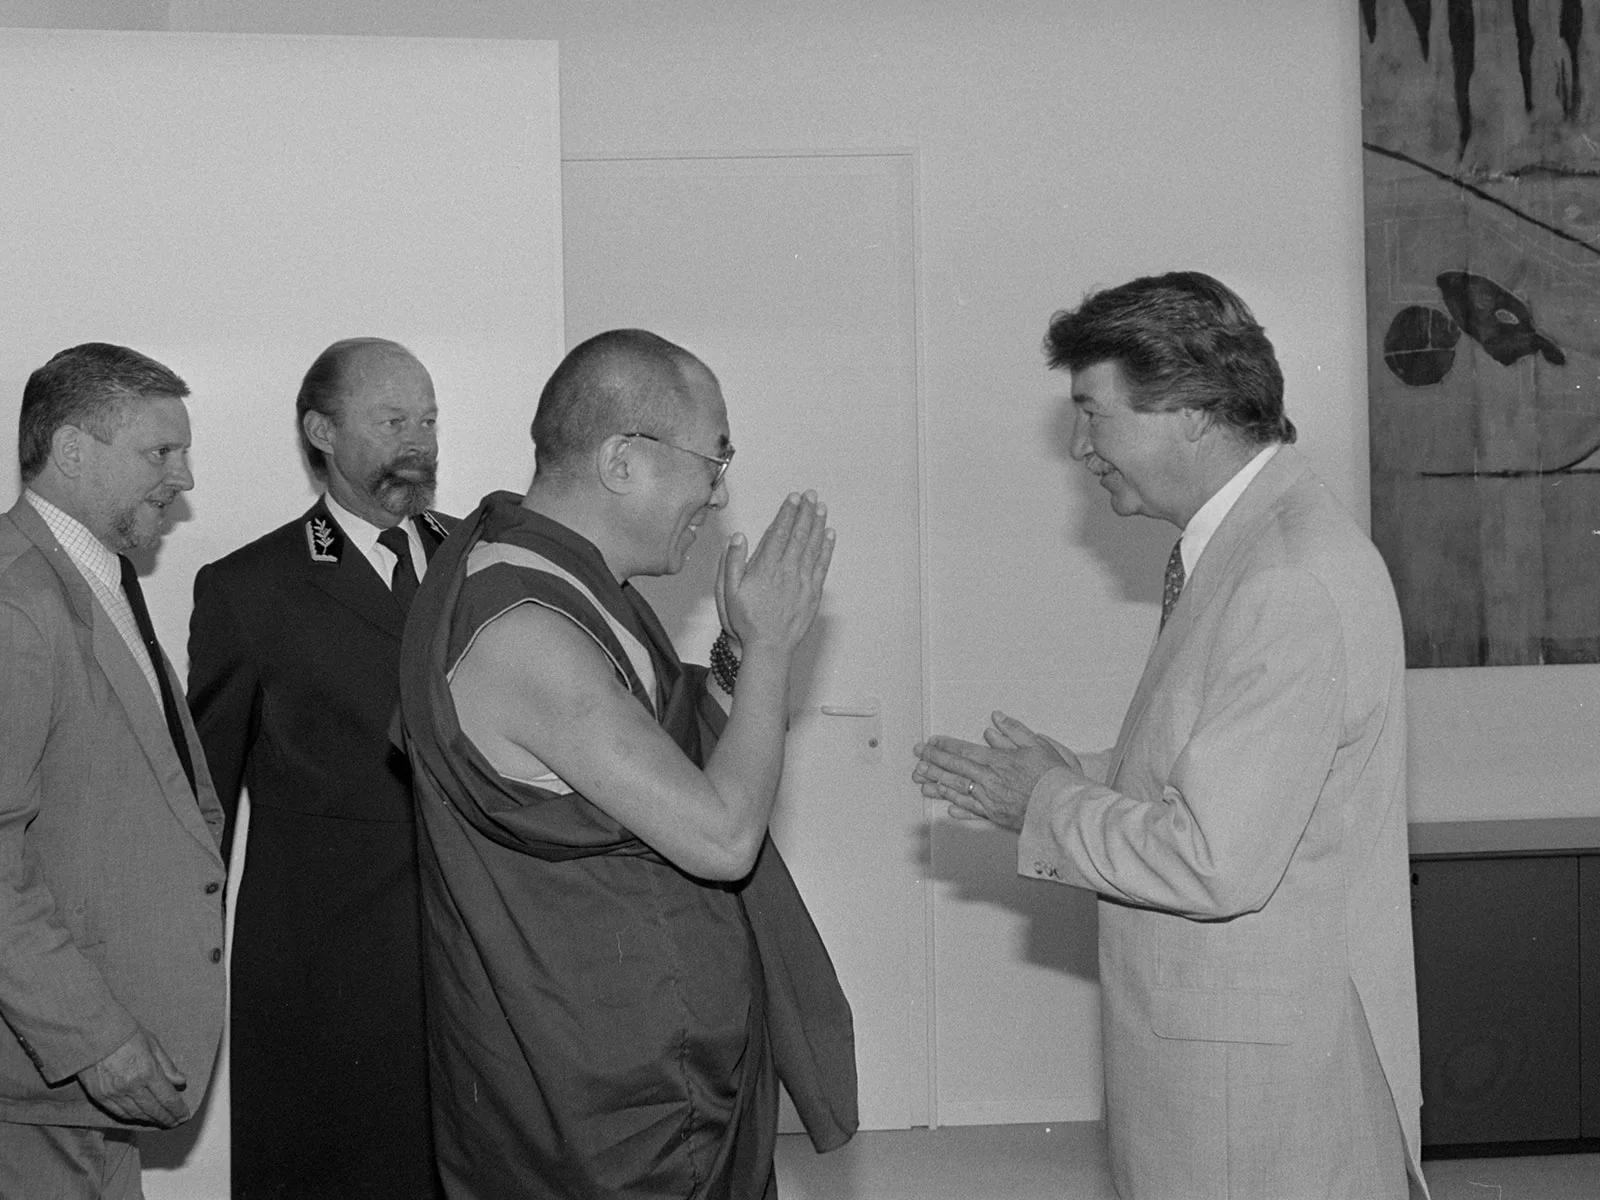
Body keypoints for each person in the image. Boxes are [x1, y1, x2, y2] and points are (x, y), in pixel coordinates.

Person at [913, 273, 1428, 1200]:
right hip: (1238, 1076)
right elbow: (1220, 766)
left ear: (1189, 411)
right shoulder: (1248, 550)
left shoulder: (1285, 578)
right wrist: (1076, 772)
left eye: (1092, 414)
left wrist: (1047, 802)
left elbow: (1214, 860)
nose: (1079, 448)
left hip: (1253, 1102)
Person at [396, 328, 857, 1199]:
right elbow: (720, 837)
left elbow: (661, 746)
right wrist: (768, 653)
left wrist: (732, 654)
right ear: (621, 460)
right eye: (710, 463)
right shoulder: (524, 627)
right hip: (611, 1093)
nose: (716, 497)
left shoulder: (573, 587)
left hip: (651, 1050)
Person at [186, 338, 452, 1199]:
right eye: (392, 420)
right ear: (321, 432)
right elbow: (206, 802)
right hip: (327, 971)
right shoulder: (249, 588)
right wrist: (187, 969)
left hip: (478, 951)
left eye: (428, 419)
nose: (419, 441)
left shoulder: (479, 563)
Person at [0, 343, 226, 1199]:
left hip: (80, 1104)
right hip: (50, 1085)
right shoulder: (15, 601)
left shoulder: (94, 579)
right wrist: (95, 1039)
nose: (185, 478)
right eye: (161, 453)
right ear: (71, 452)